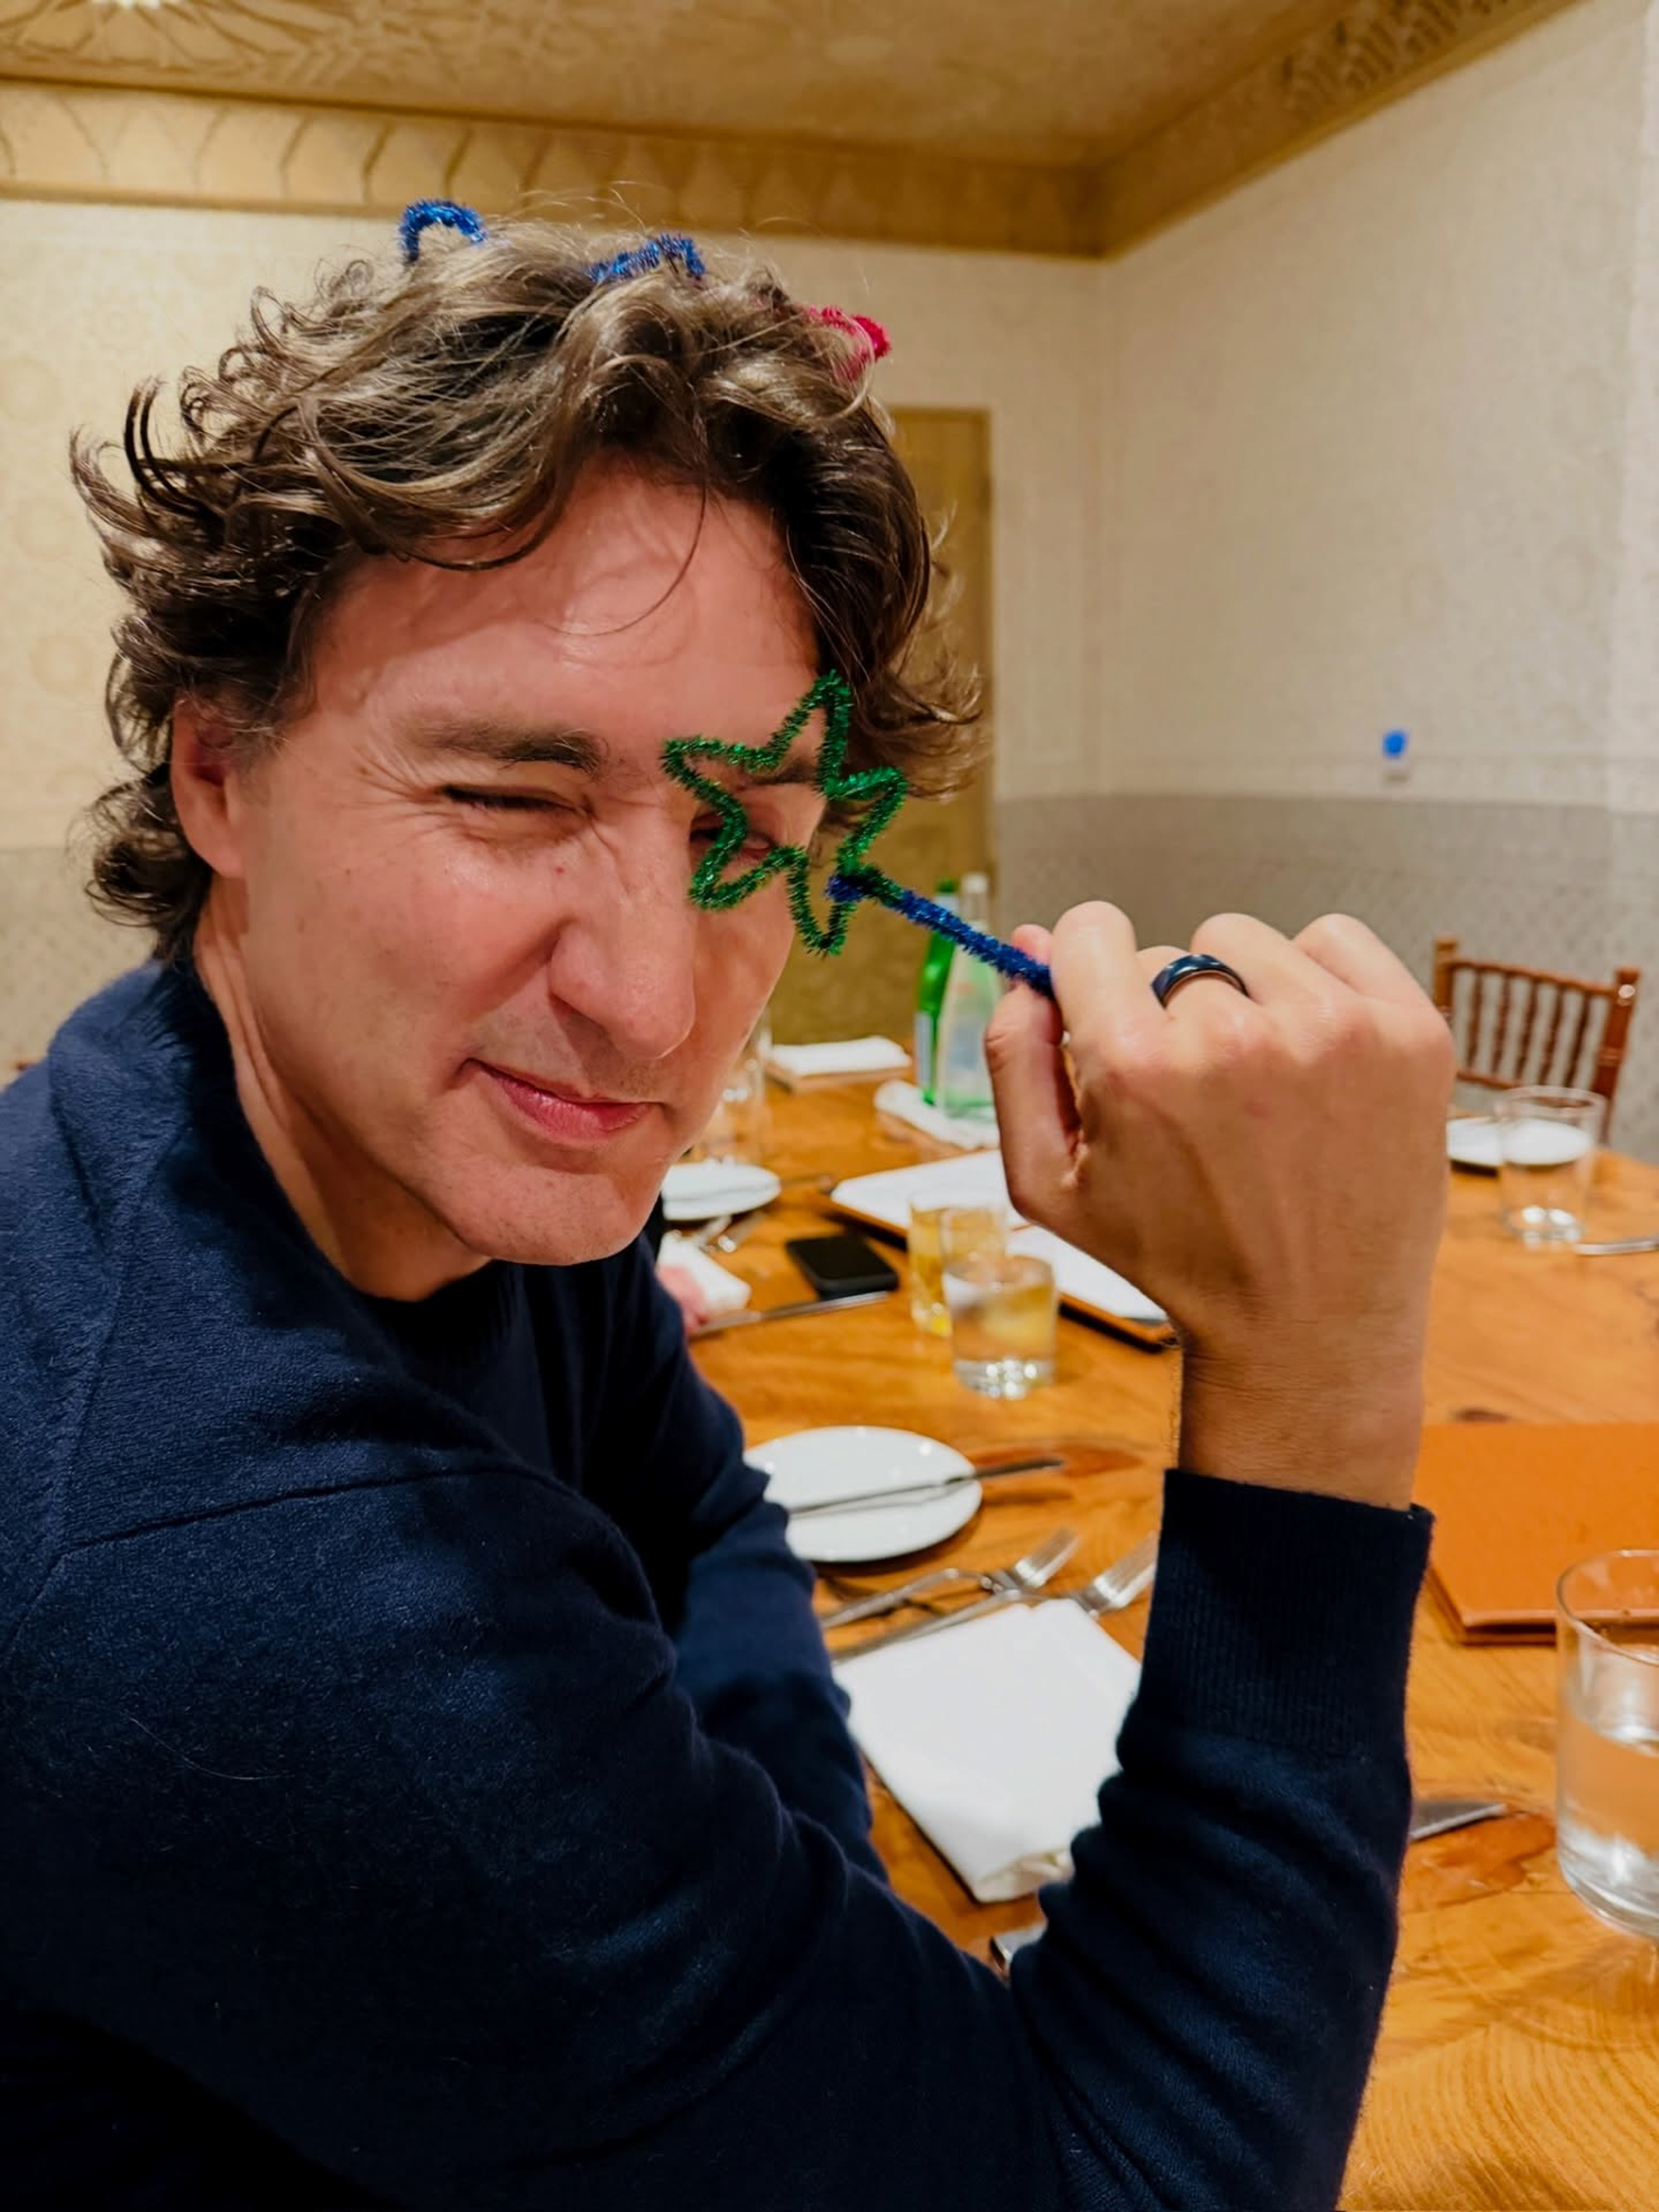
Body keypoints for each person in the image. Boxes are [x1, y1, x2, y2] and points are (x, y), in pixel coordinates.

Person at [0, 216, 1454, 2212]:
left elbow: (697, 1511)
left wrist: (782, 1934)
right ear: (220, 774)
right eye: (511, 794)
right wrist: (1324, 1375)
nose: (652, 1004)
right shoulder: (256, 1593)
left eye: (739, 830)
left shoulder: (274, 1118)